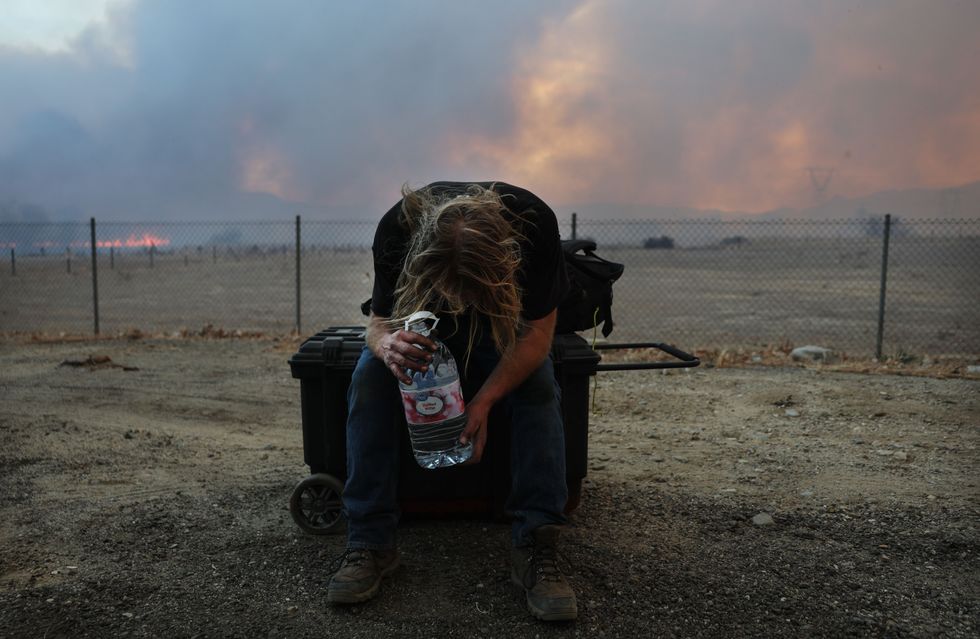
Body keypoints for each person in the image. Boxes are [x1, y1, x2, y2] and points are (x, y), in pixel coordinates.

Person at [326, 181, 577, 621]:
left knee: (537, 384)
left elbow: (537, 335)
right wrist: (387, 347)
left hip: (504, 327)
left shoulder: (536, 225)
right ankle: (369, 541)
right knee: (369, 377)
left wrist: (481, 404)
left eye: (470, 290)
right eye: (454, 287)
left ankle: (537, 544)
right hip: (423, 326)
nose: (461, 302)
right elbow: (379, 323)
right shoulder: (397, 228)